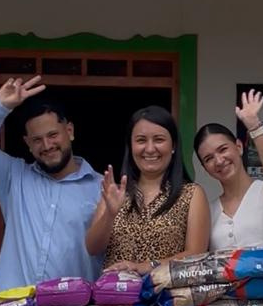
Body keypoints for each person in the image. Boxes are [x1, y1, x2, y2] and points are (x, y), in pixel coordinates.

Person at [0, 76, 102, 291]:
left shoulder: (102, 188)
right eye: (37, 139)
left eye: (53, 135)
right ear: (28, 144)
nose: (47, 145)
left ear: (70, 131)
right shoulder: (13, 178)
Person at [85, 106, 210, 273]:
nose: (150, 149)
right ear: (131, 146)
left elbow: (196, 254)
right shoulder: (116, 192)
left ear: (173, 146)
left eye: (158, 139)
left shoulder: (191, 194)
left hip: (166, 296)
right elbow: (92, 248)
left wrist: (143, 267)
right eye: (141, 140)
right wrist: (110, 213)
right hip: (116, 295)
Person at [195, 90, 263, 251]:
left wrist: (254, 126)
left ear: (239, 147)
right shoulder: (209, 211)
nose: (218, 161)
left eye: (223, 149)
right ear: (205, 168)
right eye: (208, 158)